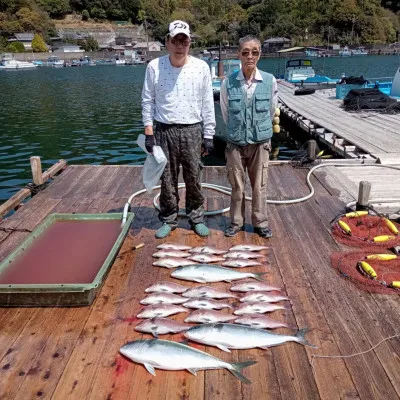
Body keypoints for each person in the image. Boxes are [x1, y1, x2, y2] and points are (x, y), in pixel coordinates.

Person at [142, 20, 216, 239]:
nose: (179, 44)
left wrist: (208, 134)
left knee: (194, 176)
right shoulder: (154, 66)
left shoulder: (201, 67)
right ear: (167, 42)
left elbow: (207, 103)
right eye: (175, 40)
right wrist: (149, 132)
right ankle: (169, 218)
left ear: (189, 43)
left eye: (184, 40)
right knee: (167, 178)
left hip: (193, 129)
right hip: (164, 130)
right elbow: (148, 101)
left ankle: (196, 217)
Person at [220, 35, 278, 238]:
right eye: (245, 52)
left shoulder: (270, 81)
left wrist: (258, 130)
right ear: (239, 55)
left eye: (254, 52)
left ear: (260, 54)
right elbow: (226, 113)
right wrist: (239, 130)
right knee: (237, 186)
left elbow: (271, 111)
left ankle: (260, 222)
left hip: (260, 143)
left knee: (259, 185)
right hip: (235, 143)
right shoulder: (228, 83)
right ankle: (236, 222)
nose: (250, 56)